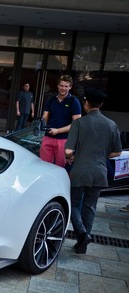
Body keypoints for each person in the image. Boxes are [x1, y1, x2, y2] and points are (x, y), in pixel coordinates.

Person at [65, 88, 122, 254]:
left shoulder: (79, 123)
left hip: (80, 171)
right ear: (101, 104)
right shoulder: (112, 125)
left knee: (74, 204)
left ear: (86, 103)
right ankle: (84, 241)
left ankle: (82, 234)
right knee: (90, 206)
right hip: (100, 171)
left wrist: (74, 155)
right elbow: (117, 152)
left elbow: (68, 151)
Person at [40, 75, 81, 167]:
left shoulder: (74, 101)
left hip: (64, 139)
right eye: (61, 85)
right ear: (58, 86)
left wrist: (58, 131)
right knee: (43, 166)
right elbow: (45, 116)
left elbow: (76, 124)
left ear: (70, 87)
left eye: (66, 86)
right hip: (48, 136)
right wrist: (42, 125)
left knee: (60, 167)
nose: (63, 88)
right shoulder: (51, 99)